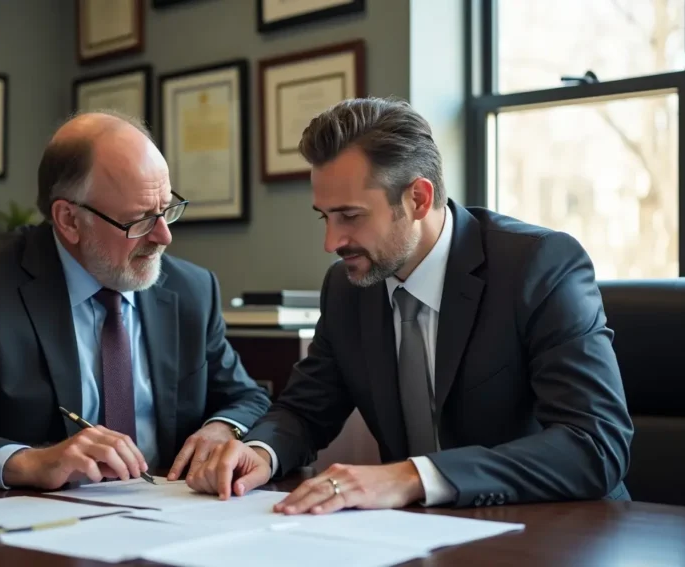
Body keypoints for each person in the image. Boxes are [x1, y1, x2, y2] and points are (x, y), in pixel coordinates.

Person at [186, 96, 634, 512]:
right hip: (417, 535)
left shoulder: (537, 266)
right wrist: (260, 451)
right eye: (325, 217)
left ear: (417, 198)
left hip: (557, 530)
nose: (331, 242)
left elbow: (594, 444)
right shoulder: (347, 288)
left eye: (351, 216)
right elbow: (305, 411)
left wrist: (412, 476)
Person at [0, 111, 271, 491]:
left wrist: (223, 427)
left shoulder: (191, 290)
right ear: (69, 220)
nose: (164, 236)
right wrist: (29, 462)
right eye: (141, 219)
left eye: (167, 209)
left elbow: (246, 397)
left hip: (170, 520)